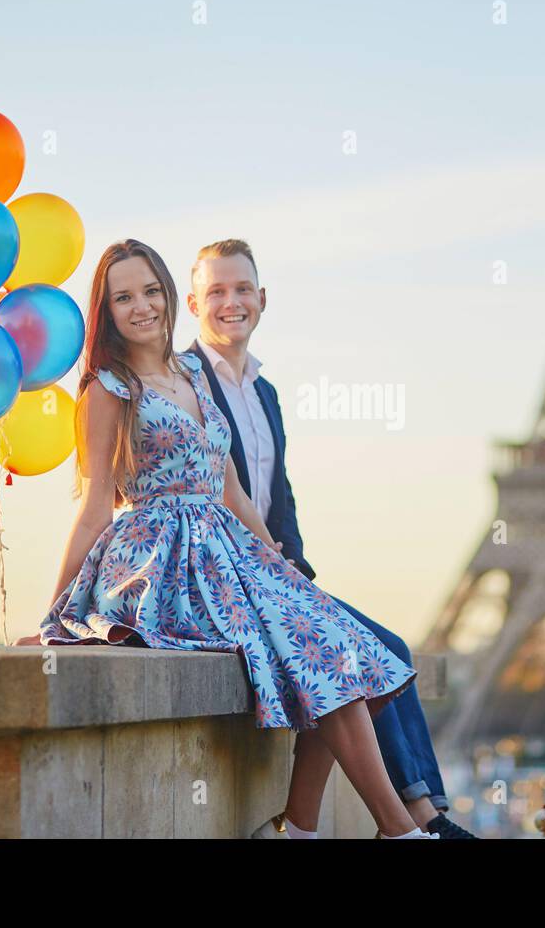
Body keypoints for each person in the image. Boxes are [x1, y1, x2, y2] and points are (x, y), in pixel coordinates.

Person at [21, 238, 435, 839]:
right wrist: (56, 615)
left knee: (349, 655)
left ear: (169, 296)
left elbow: (233, 489)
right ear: (106, 312)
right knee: (322, 661)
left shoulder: (193, 372)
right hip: (163, 560)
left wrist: (279, 564)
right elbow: (94, 506)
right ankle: (399, 832)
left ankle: (299, 826)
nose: (142, 307)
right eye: (123, 298)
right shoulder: (107, 388)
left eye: (151, 291)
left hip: (229, 551)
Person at [185, 238, 477, 839]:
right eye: (216, 291)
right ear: (193, 303)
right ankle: (410, 820)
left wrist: (303, 580)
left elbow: (277, 496)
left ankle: (395, 817)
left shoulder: (263, 391)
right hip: (226, 580)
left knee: (387, 651)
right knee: (354, 657)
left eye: (242, 289)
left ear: (262, 300)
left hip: (275, 573)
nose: (230, 301)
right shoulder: (184, 384)